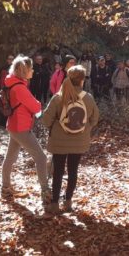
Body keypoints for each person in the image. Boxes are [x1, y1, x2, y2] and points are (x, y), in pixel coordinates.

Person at [42, 65, 100, 214]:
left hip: (58, 141)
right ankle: (68, 202)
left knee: (58, 172)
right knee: (73, 171)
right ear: (82, 80)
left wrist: (54, 127)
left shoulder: (59, 97)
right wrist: (85, 128)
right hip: (79, 141)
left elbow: (45, 120)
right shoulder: (88, 97)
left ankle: (54, 204)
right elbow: (95, 118)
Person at [1, 55, 51, 206]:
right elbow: (35, 107)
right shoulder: (20, 87)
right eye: (31, 69)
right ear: (25, 70)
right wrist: (37, 104)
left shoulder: (12, 82)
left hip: (14, 125)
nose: (33, 71)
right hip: (21, 127)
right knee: (41, 158)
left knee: (10, 156)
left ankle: (5, 187)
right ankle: (46, 191)